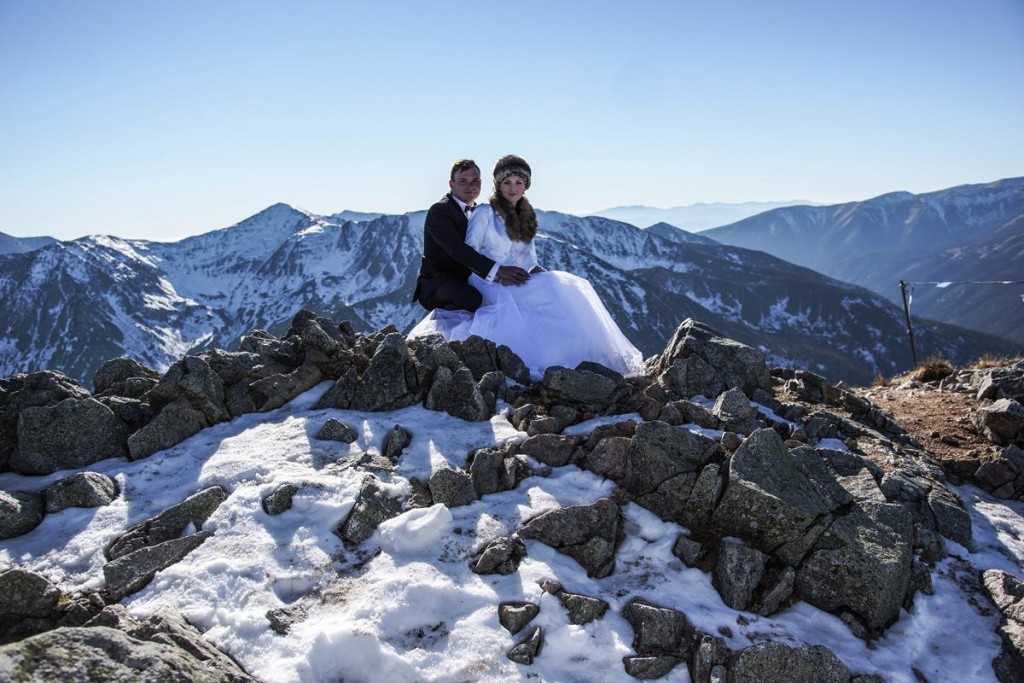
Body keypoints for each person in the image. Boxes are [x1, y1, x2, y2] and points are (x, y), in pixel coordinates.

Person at [410, 154, 645, 380]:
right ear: (497, 185)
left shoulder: (526, 216)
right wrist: (498, 273)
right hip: (460, 280)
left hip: (509, 275)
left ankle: (580, 360)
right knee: (504, 312)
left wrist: (537, 274)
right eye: (507, 182)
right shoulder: (473, 212)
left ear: (526, 186)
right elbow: (465, 251)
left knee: (559, 292)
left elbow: (527, 257)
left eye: (518, 182)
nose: (512, 188)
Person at [412, 159, 530, 312]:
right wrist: (499, 271)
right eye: (463, 181)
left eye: (476, 181)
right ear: (451, 184)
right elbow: (458, 249)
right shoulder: (440, 211)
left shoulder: (481, 212)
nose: (471, 186)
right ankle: (449, 332)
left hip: (472, 278)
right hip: (440, 283)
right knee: (473, 299)